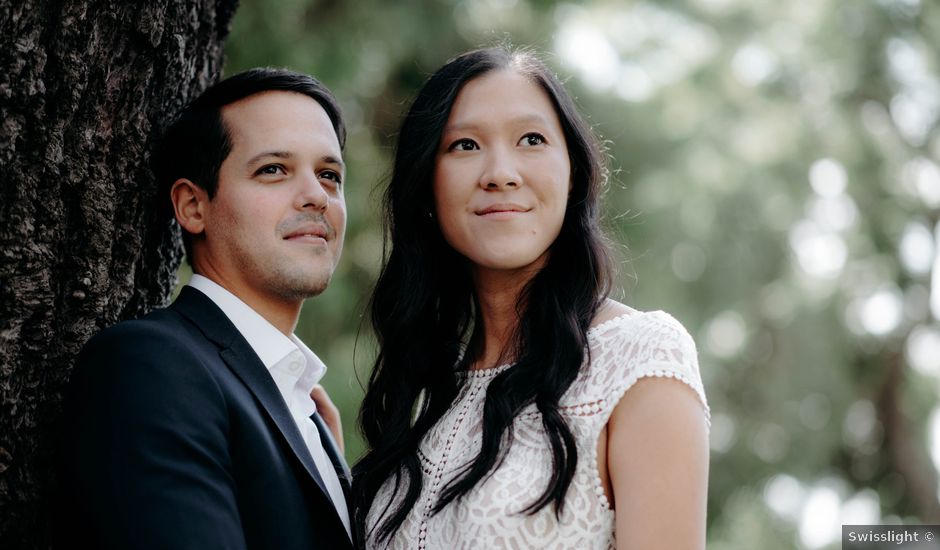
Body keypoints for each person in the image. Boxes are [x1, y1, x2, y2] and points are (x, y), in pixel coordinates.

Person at [353, 47, 710, 549]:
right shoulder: (424, 395)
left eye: (532, 139)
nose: (500, 172)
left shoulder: (640, 360)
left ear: (573, 176)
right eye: (465, 145)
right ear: (426, 186)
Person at [57, 68, 355, 550]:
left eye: (329, 175)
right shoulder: (151, 366)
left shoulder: (312, 415)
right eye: (273, 169)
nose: (317, 196)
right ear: (193, 206)